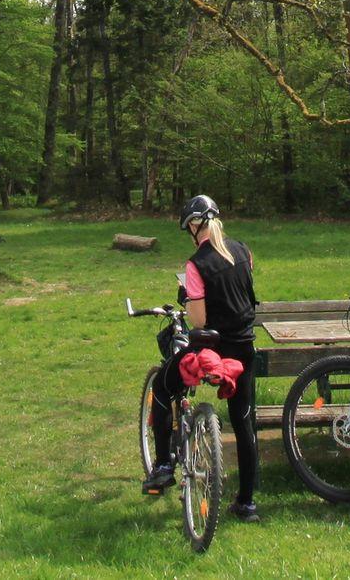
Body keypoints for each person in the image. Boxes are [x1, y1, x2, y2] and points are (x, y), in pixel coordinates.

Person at [143, 194, 261, 522]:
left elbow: (198, 320)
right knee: (243, 420)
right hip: (244, 348)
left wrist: (188, 296)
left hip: (212, 350)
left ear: (195, 226)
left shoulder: (196, 264)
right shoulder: (243, 251)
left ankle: (163, 465)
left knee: (163, 386)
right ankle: (247, 503)